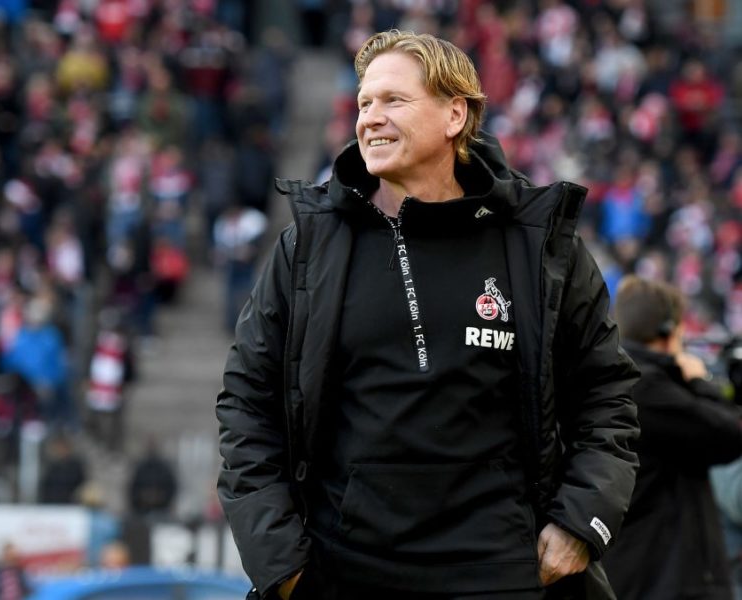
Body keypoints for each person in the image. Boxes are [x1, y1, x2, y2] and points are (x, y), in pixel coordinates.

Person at [216, 30, 640, 600]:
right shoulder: (309, 248)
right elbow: (247, 403)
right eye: (365, 103)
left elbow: (607, 397)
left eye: (393, 100)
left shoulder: (541, 248)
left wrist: (579, 525)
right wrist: (281, 562)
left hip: (502, 574)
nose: (370, 117)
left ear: (454, 115)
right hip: (344, 574)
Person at [602, 275, 742, 599]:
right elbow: (730, 433)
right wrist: (698, 381)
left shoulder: (613, 376)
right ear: (669, 332)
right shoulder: (647, 386)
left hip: (635, 571)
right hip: (663, 576)